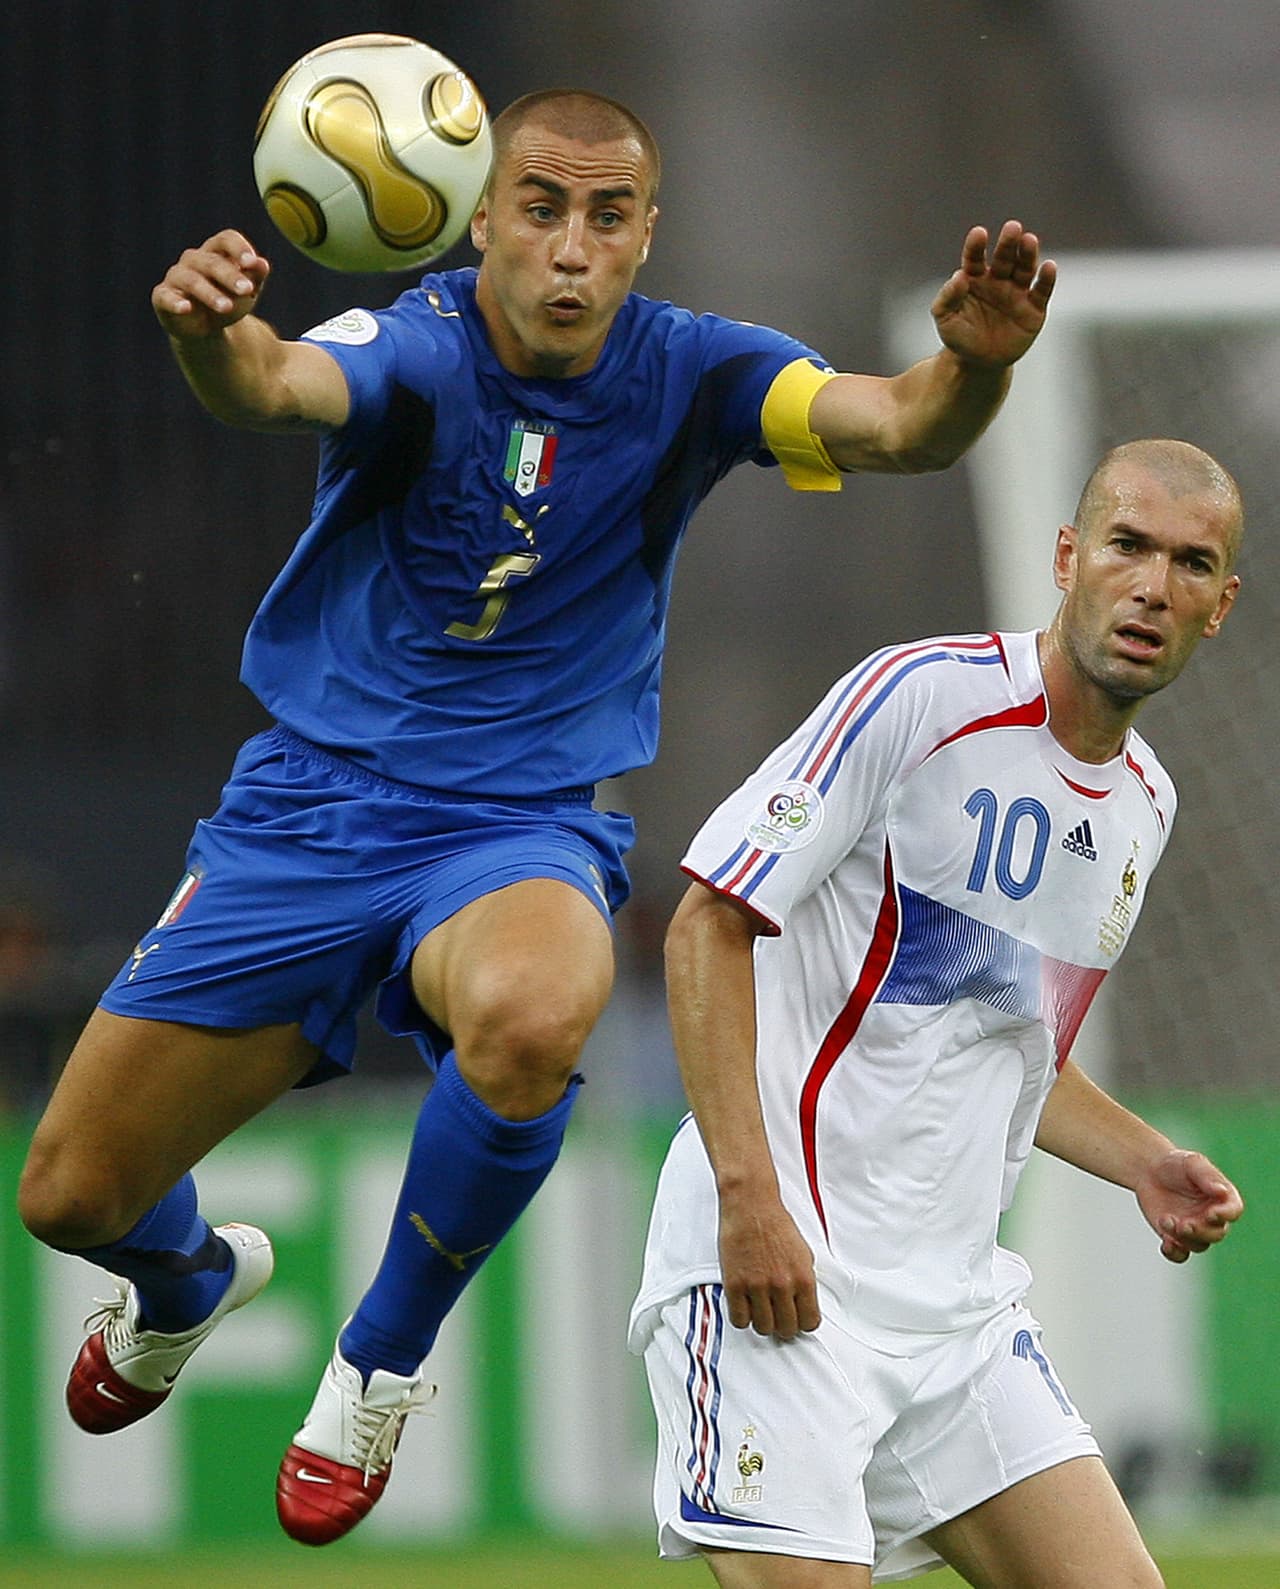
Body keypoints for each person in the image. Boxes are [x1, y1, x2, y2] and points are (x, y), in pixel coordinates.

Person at [16, 88, 1056, 1547]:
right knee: (69, 1194)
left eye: (609, 215)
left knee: (538, 1007)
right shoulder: (417, 346)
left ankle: (373, 1366)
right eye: (543, 208)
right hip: (307, 817)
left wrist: (971, 367)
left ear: (645, 237)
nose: (573, 247)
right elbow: (275, 383)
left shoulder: (692, 370)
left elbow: (893, 427)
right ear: (482, 219)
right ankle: (186, 1278)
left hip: (515, 827)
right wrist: (208, 333)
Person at [628, 438, 1246, 1588]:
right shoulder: (923, 697)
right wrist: (746, 1199)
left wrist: (1144, 1162)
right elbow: (705, 922)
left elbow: (1008, 1045)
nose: (1152, 586)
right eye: (1126, 546)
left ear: (1219, 604)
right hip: (778, 1281)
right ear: (1067, 556)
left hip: (953, 1317)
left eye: (1190, 562)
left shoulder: (1142, 807)